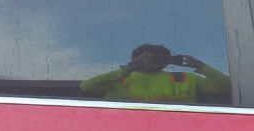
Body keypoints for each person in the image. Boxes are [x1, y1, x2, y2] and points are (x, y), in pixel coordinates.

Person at [80, 44, 231, 103]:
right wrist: (126, 70)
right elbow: (86, 87)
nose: (151, 59)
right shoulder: (118, 79)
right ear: (134, 59)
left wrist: (199, 65)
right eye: (147, 56)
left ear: (167, 61)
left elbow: (225, 87)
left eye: (157, 56)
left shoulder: (184, 78)